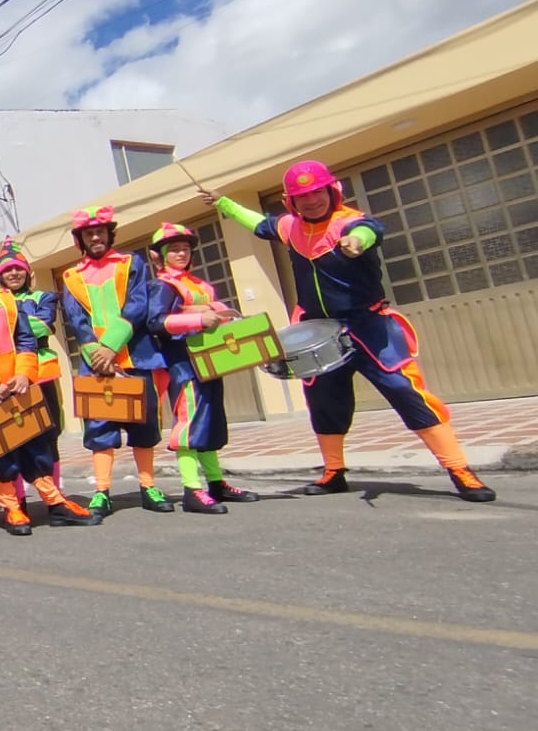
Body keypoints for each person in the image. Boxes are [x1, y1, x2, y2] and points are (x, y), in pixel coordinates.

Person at [204, 163, 495, 501]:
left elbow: (371, 231)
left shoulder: (351, 222)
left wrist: (356, 242)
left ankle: (459, 469)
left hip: (368, 326)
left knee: (407, 392)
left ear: (332, 191)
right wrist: (223, 203)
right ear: (291, 202)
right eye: (302, 196)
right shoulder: (289, 227)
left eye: (317, 191)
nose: (311, 200)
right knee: (324, 401)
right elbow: (258, 223)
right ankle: (333, 472)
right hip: (316, 329)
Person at [0, 239, 101, 534]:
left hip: (20, 385)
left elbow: (25, 337)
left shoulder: (5, 299)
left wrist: (25, 374)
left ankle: (55, 503)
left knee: (37, 444)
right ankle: (12, 507)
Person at [60, 206, 174, 517]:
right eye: (88, 233)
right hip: (95, 361)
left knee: (144, 424)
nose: (95, 236)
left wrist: (111, 347)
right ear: (80, 238)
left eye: (100, 231)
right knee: (99, 427)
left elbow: (138, 305)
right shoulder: (71, 276)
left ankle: (148, 486)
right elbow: (76, 320)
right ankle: (102, 492)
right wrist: (97, 355)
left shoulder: (130, 264)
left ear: (110, 234)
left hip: (135, 356)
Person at [145, 223, 260, 514]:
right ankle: (192, 489)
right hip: (183, 362)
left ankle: (216, 482)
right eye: (174, 249)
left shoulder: (200, 284)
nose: (181, 253)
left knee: (210, 420)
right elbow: (156, 322)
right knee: (189, 421)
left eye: (185, 248)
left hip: (210, 359)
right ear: (160, 255)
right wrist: (196, 320)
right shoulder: (163, 285)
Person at [0, 239, 64, 504]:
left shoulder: (44, 297)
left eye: (18, 269)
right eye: (7, 271)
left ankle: (55, 495)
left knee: (50, 434)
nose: (13, 274)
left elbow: (44, 326)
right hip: (10, 377)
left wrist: (8, 330)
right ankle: (19, 500)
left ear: (27, 272)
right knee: (12, 437)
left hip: (43, 372)